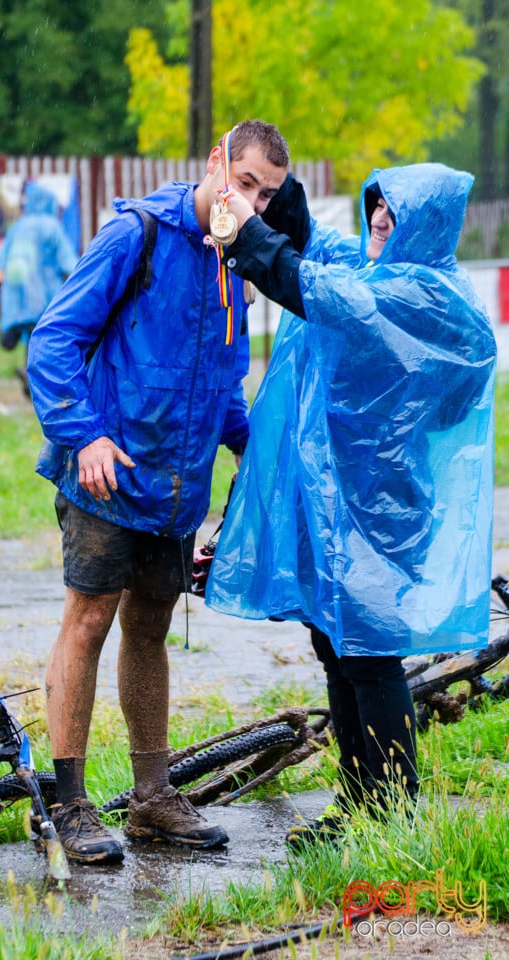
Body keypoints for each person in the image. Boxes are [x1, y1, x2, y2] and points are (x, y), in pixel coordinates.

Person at [205, 163, 496, 845]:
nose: (378, 230)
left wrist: (249, 229)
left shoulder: (418, 294)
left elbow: (311, 283)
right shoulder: (388, 275)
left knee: (368, 653)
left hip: (384, 507)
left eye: (392, 221)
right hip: (345, 500)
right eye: (375, 217)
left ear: (423, 227)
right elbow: (323, 251)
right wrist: (277, 198)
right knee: (337, 645)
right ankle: (359, 802)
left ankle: (391, 812)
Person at [26, 121, 291, 865]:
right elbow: (53, 340)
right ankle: (71, 806)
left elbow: (225, 375)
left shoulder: (237, 261)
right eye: (244, 184)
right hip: (106, 473)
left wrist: (250, 447)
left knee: (149, 628)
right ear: (215, 163)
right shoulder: (136, 234)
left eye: (267, 194)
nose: (254, 204)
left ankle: (151, 800)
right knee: (89, 622)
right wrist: (85, 435)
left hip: (178, 487)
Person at [0, 181, 78, 396]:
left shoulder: (17, 227)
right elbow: (69, 263)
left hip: (16, 297)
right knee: (44, 340)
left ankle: (24, 366)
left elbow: (0, 259)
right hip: (44, 295)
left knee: (31, 337)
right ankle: (37, 381)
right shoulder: (51, 226)